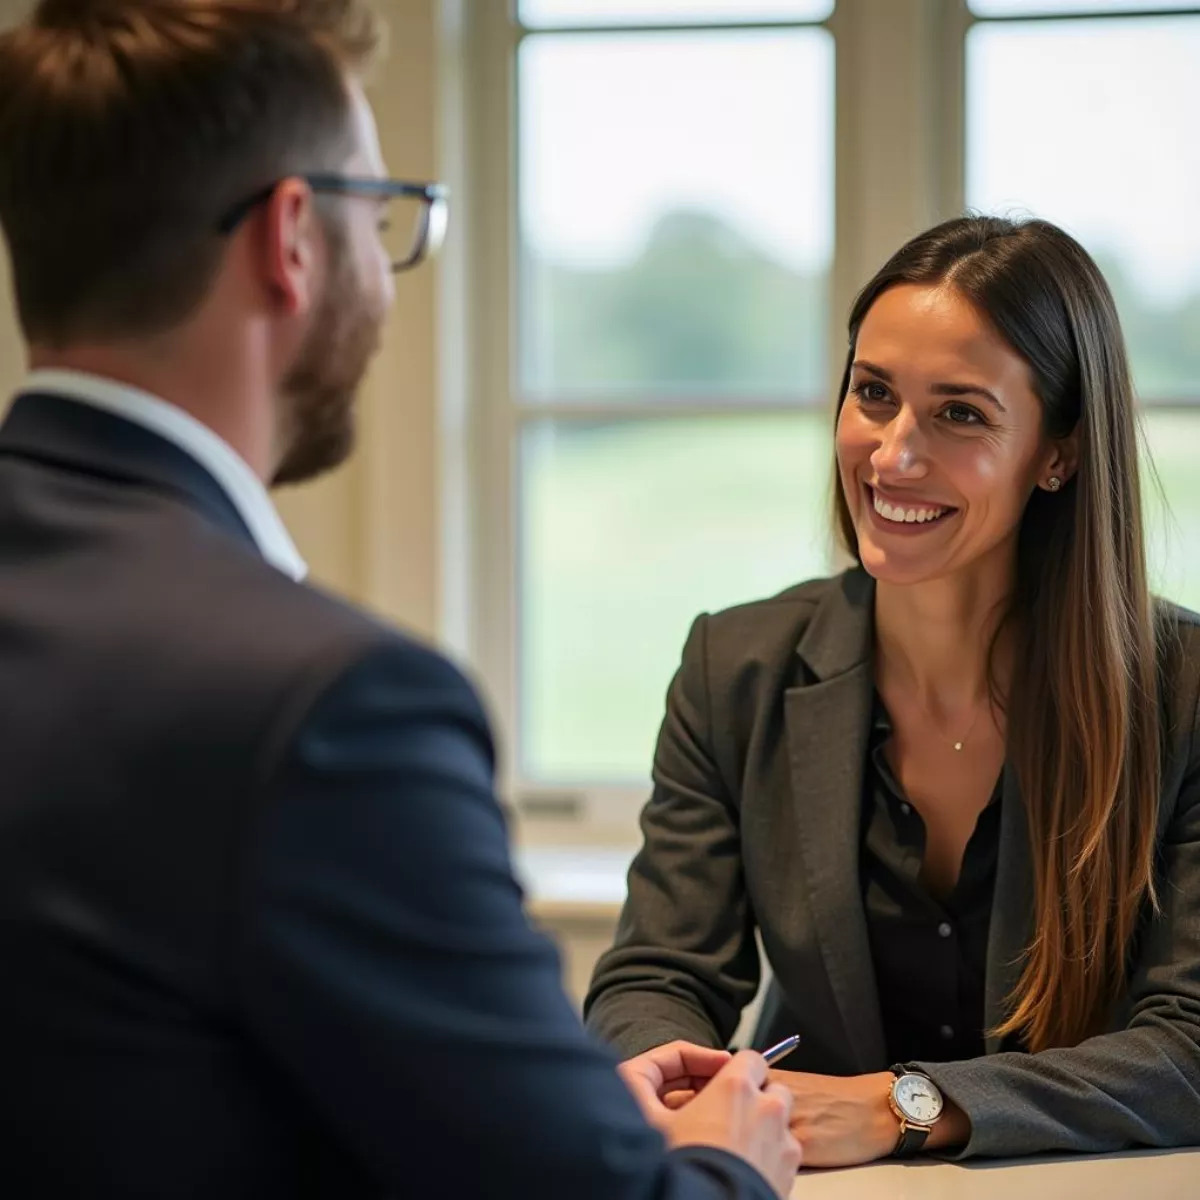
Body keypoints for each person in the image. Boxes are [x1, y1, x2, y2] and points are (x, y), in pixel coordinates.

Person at [0, 2, 803, 1198]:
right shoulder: (328, 708)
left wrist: (552, 1105)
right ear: (292, 239)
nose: (387, 271)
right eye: (381, 216)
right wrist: (722, 1168)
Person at [585, 214, 1200, 1166]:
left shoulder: (1181, 692)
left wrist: (903, 1106)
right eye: (873, 394)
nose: (892, 455)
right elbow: (658, 972)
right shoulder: (732, 668)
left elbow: (1187, 1048)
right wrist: (652, 1070)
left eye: (960, 413)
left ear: (1059, 453)